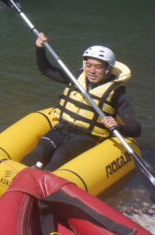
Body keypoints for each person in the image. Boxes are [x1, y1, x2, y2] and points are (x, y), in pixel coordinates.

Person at [25, 33, 141, 171]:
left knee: (60, 155)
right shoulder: (75, 77)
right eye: (89, 65)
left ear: (108, 69)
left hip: (86, 137)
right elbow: (46, 69)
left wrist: (118, 127)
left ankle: (42, 186)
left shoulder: (116, 93)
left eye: (98, 67)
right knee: (41, 149)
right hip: (62, 129)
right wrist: (40, 49)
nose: (92, 71)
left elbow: (136, 129)